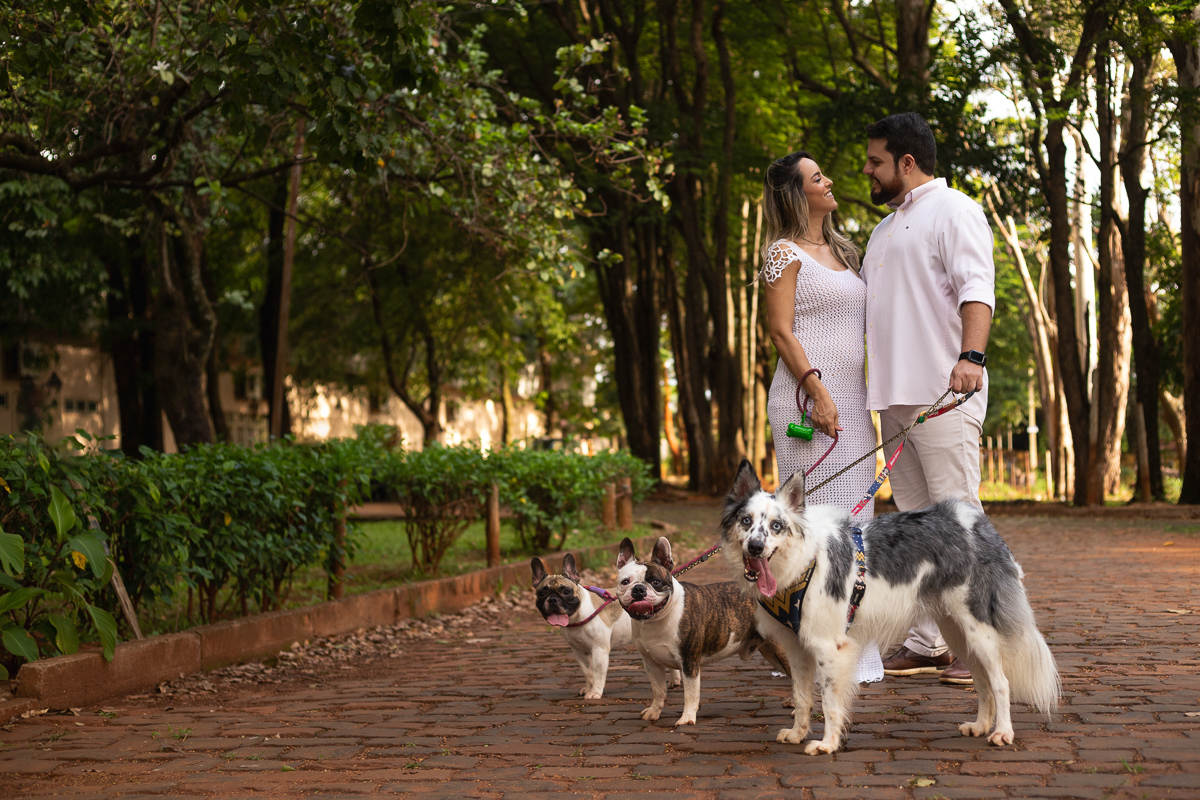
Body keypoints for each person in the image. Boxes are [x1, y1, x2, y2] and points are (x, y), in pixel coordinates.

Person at [860, 112, 995, 686]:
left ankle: (984, 646)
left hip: (944, 394)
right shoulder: (883, 229)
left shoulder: (956, 210)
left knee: (959, 520)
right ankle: (928, 642)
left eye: (875, 162)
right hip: (892, 400)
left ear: (906, 164)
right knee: (917, 530)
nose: (866, 171)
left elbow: (977, 288)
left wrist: (972, 357)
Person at [759, 150, 883, 684]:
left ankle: (855, 649)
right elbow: (781, 331)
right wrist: (818, 389)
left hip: (852, 405)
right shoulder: (780, 254)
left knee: (858, 528)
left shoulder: (843, 250)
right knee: (814, 530)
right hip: (806, 405)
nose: (829, 180)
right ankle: (808, 649)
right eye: (816, 177)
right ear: (795, 194)